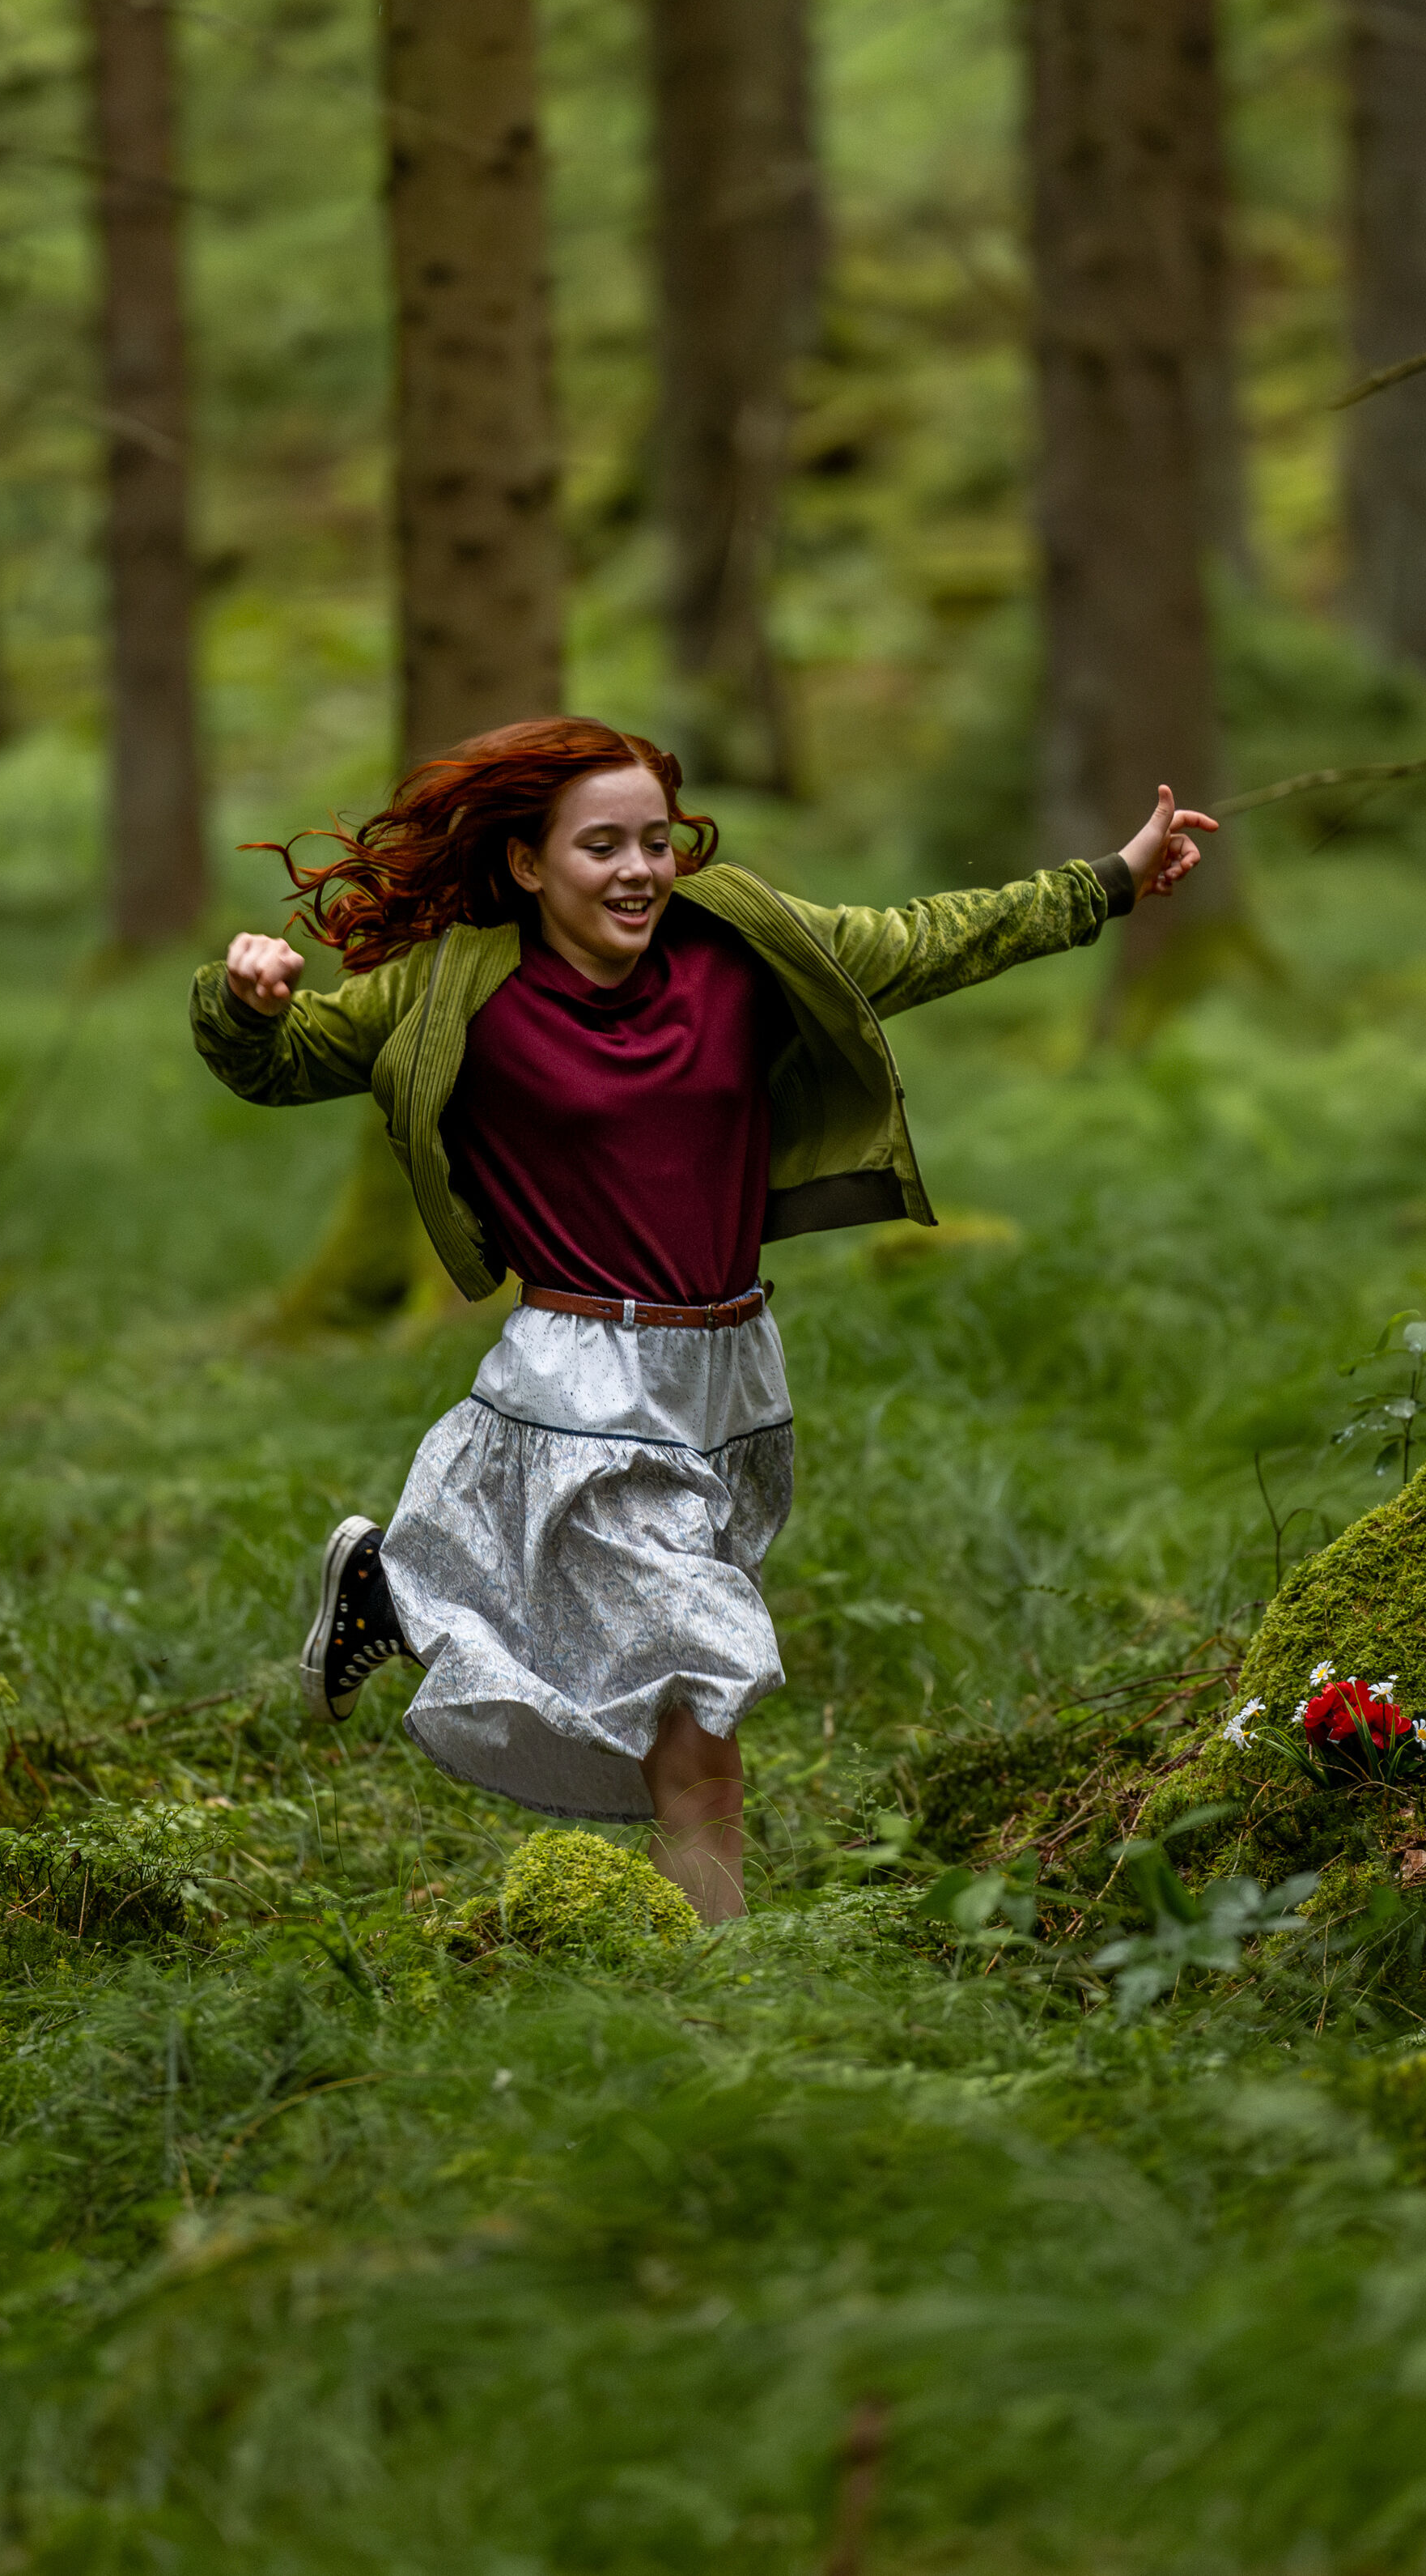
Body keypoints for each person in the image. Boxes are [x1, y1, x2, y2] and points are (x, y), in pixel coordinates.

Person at [190, 716, 1215, 1920]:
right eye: (600, 847)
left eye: (656, 842)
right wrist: (243, 999)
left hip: (733, 1369)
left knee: (663, 1664)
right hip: (579, 1370)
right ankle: (726, 1972)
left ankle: (398, 1586)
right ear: (527, 864)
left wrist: (1110, 879)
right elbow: (280, 1062)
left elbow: (933, 937)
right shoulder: (449, 989)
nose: (637, 869)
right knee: (700, 1674)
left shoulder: (742, 948)